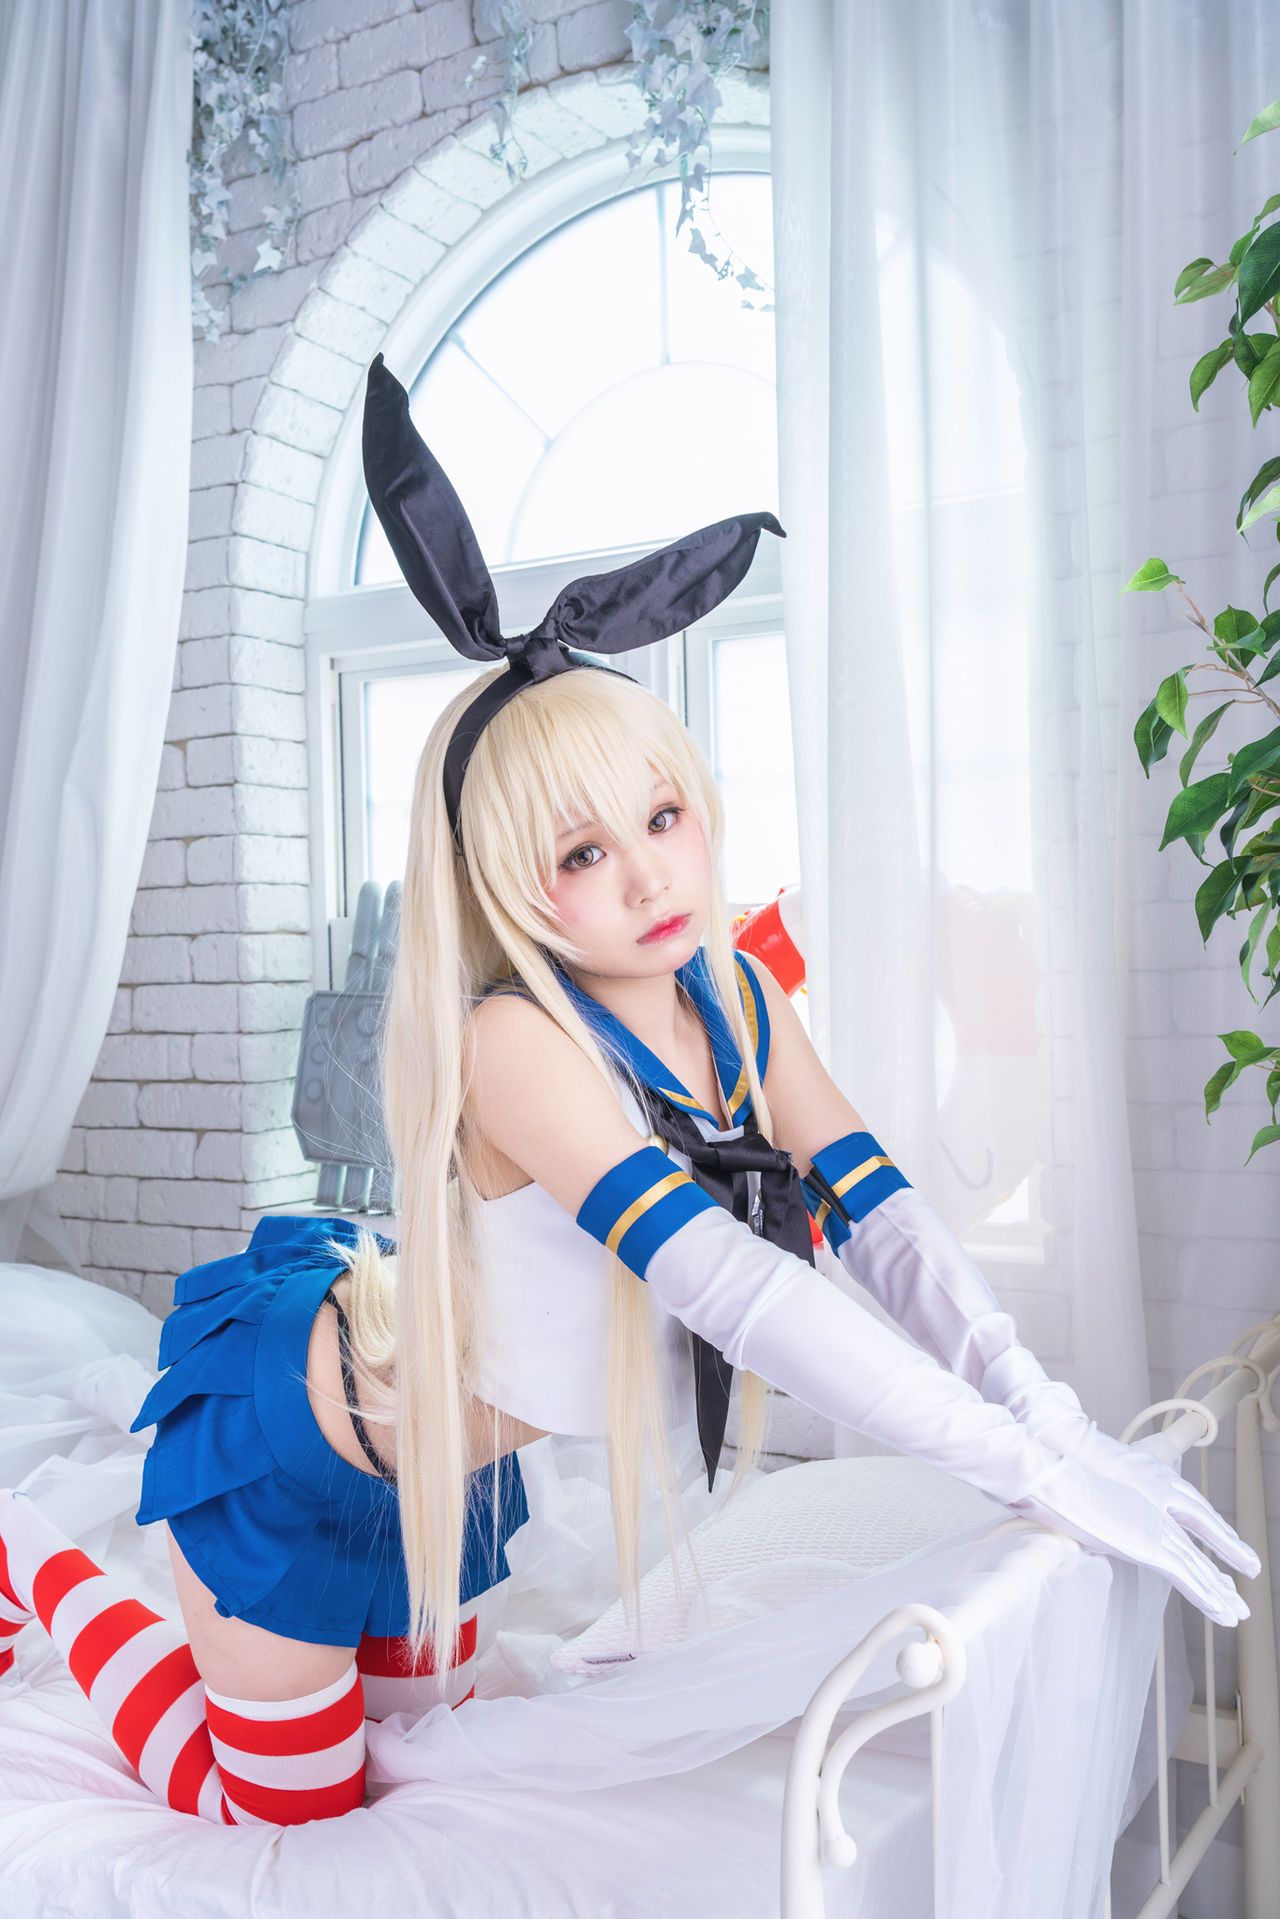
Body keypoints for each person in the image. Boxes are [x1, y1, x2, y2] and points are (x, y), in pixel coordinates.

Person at [0, 359, 1258, 1832]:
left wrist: (1048, 1417)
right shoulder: (515, 1042)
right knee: (270, 1812)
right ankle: (33, 1559)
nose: (650, 876)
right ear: (506, 886)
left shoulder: (740, 1000)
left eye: (662, 817)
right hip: (308, 1442)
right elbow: (725, 1281)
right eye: (581, 853)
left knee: (409, 1772)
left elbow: (885, 1220)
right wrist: (1019, 1463)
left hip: (449, 1485)